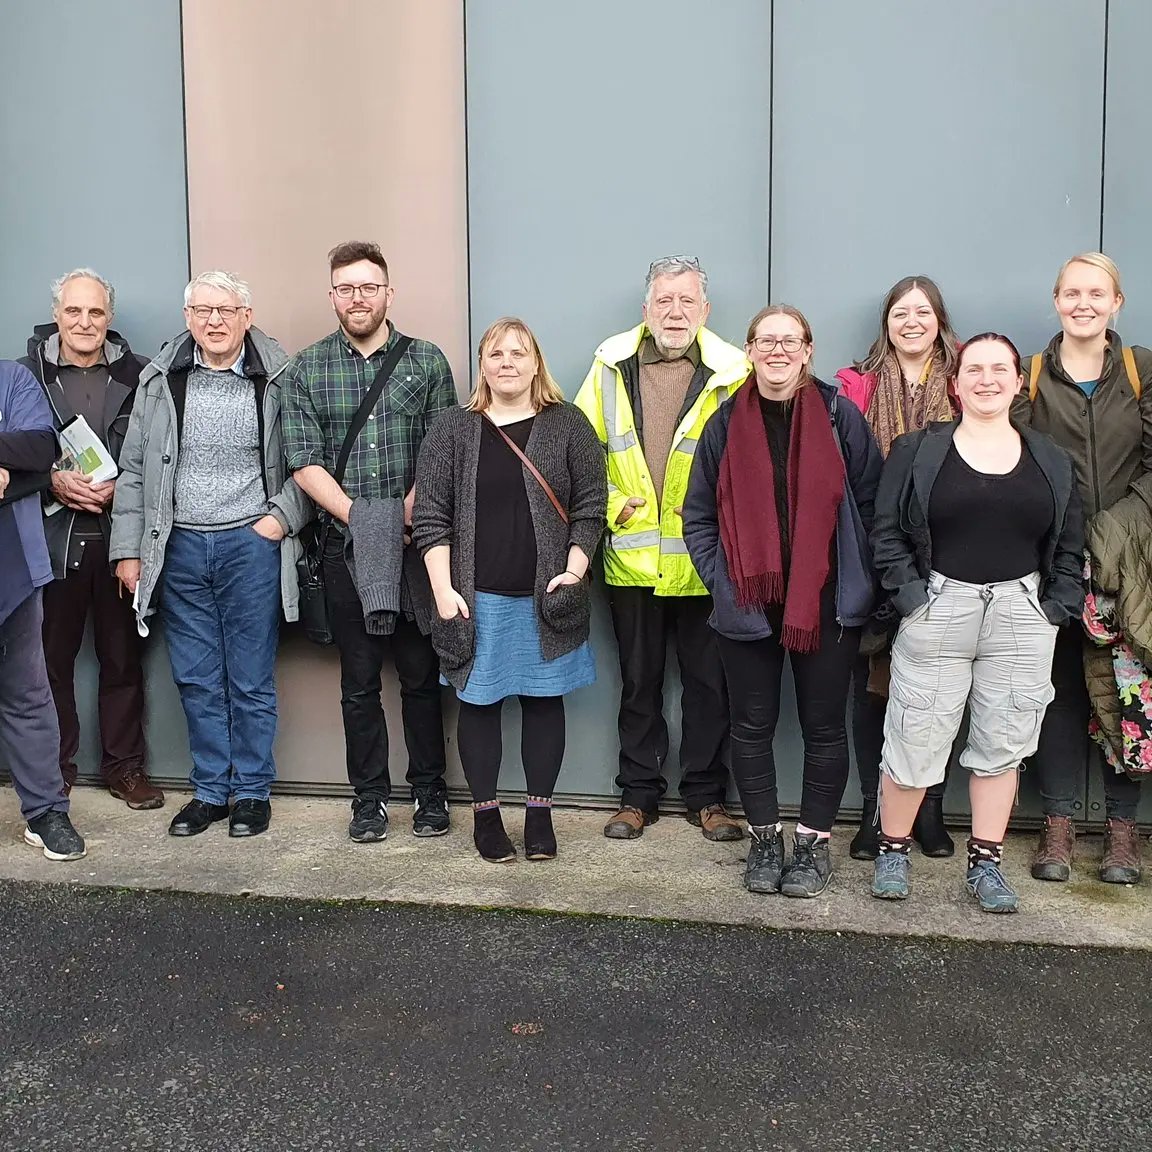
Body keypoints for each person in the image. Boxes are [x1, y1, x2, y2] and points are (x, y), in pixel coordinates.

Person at [870, 333, 1084, 912]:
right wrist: (913, 598)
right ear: (955, 383)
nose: (986, 379)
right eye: (974, 370)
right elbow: (886, 532)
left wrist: (1054, 610)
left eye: (1000, 370)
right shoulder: (918, 451)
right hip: (940, 607)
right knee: (917, 734)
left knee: (1004, 743)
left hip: (1021, 613)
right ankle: (893, 849)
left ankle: (985, 863)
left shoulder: (1053, 460)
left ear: (1019, 383)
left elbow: (1069, 545)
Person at [683, 305, 882, 897]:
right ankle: (766, 841)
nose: (777, 351)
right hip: (746, 601)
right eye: (765, 340)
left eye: (788, 341)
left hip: (826, 605)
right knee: (751, 727)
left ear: (807, 349)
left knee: (824, 729)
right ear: (749, 350)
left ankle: (813, 844)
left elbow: (871, 508)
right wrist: (721, 577)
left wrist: (860, 579)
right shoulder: (723, 423)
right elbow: (697, 516)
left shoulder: (841, 416)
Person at [110, 271, 312, 839]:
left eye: (225, 310)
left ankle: (250, 792)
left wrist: (278, 519)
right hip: (177, 549)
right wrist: (129, 551)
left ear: (247, 316)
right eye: (202, 311)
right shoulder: (160, 381)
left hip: (251, 546)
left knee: (249, 678)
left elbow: (307, 457)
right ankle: (209, 793)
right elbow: (134, 472)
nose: (214, 321)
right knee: (197, 677)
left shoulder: (277, 376)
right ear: (188, 318)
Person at [282, 241, 457, 843]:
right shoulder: (305, 369)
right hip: (344, 548)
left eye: (369, 287)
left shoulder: (426, 361)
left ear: (388, 292)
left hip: (417, 551)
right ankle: (370, 799)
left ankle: (430, 794)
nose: (358, 298)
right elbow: (303, 463)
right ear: (333, 296)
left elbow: (443, 453)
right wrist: (364, 520)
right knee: (358, 681)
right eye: (346, 288)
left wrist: (407, 517)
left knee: (420, 676)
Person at [414, 318, 606, 862]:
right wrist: (444, 590)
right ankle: (486, 815)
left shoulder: (568, 425)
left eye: (518, 353)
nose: (507, 362)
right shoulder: (453, 427)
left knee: (545, 704)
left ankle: (540, 814)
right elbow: (431, 516)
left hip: (546, 598)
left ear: (536, 363)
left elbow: (591, 508)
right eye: (496, 353)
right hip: (478, 598)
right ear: (482, 365)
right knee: (479, 704)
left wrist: (572, 572)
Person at [575, 256, 751, 843]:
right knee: (638, 683)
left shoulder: (734, 369)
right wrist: (607, 508)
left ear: (705, 310)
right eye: (664, 300)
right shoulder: (609, 365)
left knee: (709, 685)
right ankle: (637, 797)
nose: (675, 312)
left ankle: (708, 799)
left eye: (687, 301)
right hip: (632, 556)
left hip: (705, 561)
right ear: (646, 308)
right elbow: (577, 452)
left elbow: (751, 462)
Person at [1013, 253, 1152, 884]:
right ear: (1057, 300)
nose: (1084, 304)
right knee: (1063, 691)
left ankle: (1123, 833)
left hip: (1133, 561)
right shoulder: (1032, 374)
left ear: (1116, 302)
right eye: (1072, 293)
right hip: (1059, 561)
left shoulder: (1140, 370)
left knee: (1131, 689)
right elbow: (1013, 458)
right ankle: (1060, 826)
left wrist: (1119, 523)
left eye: (1097, 293)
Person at [19, 268, 161, 809]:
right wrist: (52, 480)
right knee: (47, 662)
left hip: (120, 540)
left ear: (110, 317)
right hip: (50, 538)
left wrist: (125, 487)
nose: (85, 322)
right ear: (57, 315)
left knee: (123, 659)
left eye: (96, 312)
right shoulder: (23, 376)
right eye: (74, 311)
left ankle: (125, 769)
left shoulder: (142, 375)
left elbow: (157, 455)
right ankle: (52, 771)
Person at [835, 277, 959, 859]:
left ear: (940, 319)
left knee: (937, 689)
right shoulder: (856, 387)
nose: (911, 321)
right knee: (873, 687)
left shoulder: (965, 382)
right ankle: (874, 809)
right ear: (886, 322)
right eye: (900, 312)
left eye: (923, 311)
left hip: (949, 553)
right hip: (873, 553)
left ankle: (929, 807)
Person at [0, 358, 86, 860]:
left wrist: (19, 472)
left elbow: (41, 449)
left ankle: (45, 811)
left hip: (12, 568)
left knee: (28, 694)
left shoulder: (12, 380)